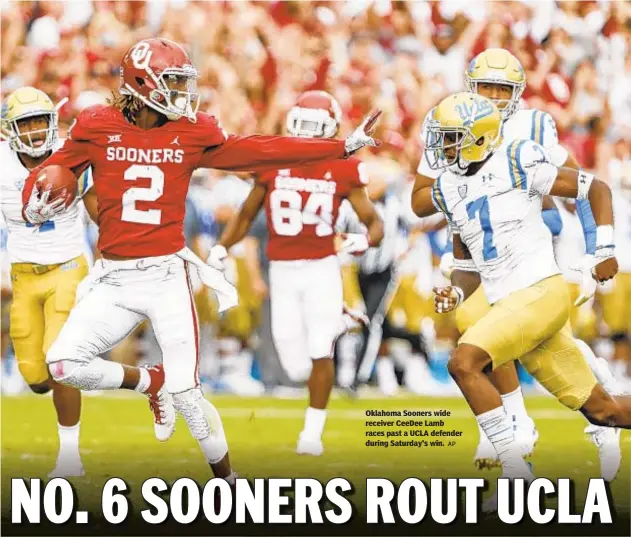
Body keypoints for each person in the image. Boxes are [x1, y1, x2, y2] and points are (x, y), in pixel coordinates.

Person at [20, 39, 381, 481]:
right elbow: (52, 170)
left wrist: (339, 148)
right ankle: (149, 382)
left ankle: (227, 480)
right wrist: (32, 203)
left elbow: (261, 150)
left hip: (166, 274)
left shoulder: (191, 131)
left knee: (188, 394)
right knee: (62, 365)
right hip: (112, 277)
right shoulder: (96, 124)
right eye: (172, 80)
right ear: (141, 83)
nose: (182, 91)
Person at [411, 48, 620, 476]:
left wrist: (602, 249)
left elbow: (591, 187)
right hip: (507, 293)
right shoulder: (450, 186)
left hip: (537, 289)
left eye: (452, 138)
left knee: (465, 361)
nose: (442, 147)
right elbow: (467, 262)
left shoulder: (519, 153)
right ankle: (522, 429)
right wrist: (454, 289)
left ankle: (513, 467)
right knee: (604, 411)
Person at [213, 90, 384, 456]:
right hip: (282, 270)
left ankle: (312, 433)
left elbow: (374, 224)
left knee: (319, 348)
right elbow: (245, 215)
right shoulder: (273, 162)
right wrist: (220, 248)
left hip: (322, 267)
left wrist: (360, 241)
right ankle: (338, 321)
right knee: (294, 363)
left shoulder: (343, 168)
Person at [0, 86, 96, 477]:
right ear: (11, 129)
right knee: (36, 377)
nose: (37, 131)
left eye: (42, 120)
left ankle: (69, 456)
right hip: (24, 272)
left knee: (62, 361)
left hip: (69, 267)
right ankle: (140, 381)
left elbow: (99, 212)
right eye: (28, 123)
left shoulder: (71, 152)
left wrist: (112, 258)